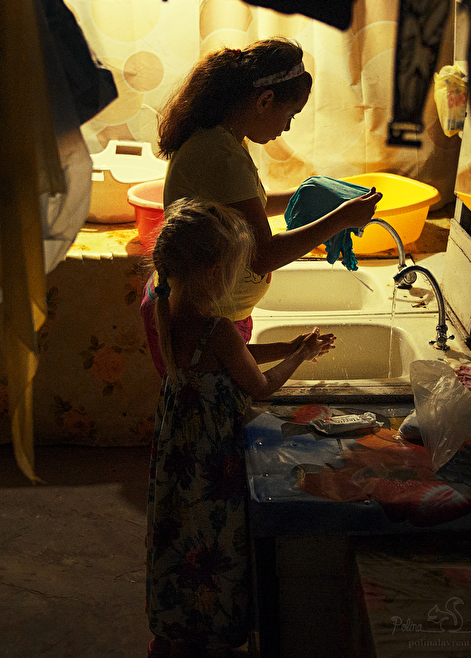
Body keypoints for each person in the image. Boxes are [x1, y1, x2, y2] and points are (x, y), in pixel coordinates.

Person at [145, 199, 335, 658]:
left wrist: (287, 344)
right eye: (235, 268)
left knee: (181, 533)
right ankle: (213, 631)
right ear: (215, 273)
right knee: (214, 536)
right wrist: (299, 356)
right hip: (212, 456)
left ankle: (175, 628)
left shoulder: (170, 310)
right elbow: (260, 386)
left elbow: (230, 357)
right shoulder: (218, 329)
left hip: (179, 453)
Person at [141, 37, 381, 375]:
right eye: (290, 114)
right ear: (265, 100)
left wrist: (304, 194)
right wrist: (341, 219)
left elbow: (242, 209)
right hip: (204, 318)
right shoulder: (221, 155)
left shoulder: (221, 139)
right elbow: (263, 255)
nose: (287, 127)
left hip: (207, 310)